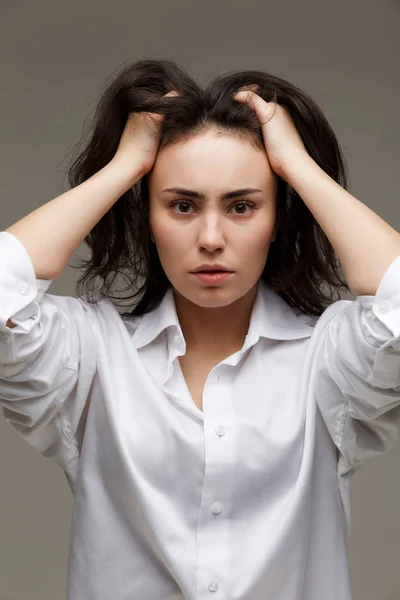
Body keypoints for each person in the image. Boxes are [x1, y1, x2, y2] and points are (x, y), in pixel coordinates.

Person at [1, 58, 400, 600]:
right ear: (149, 218)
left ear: (277, 218)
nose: (211, 237)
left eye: (242, 206)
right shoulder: (92, 355)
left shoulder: (327, 360)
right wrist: (125, 168)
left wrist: (297, 168)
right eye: (182, 205)